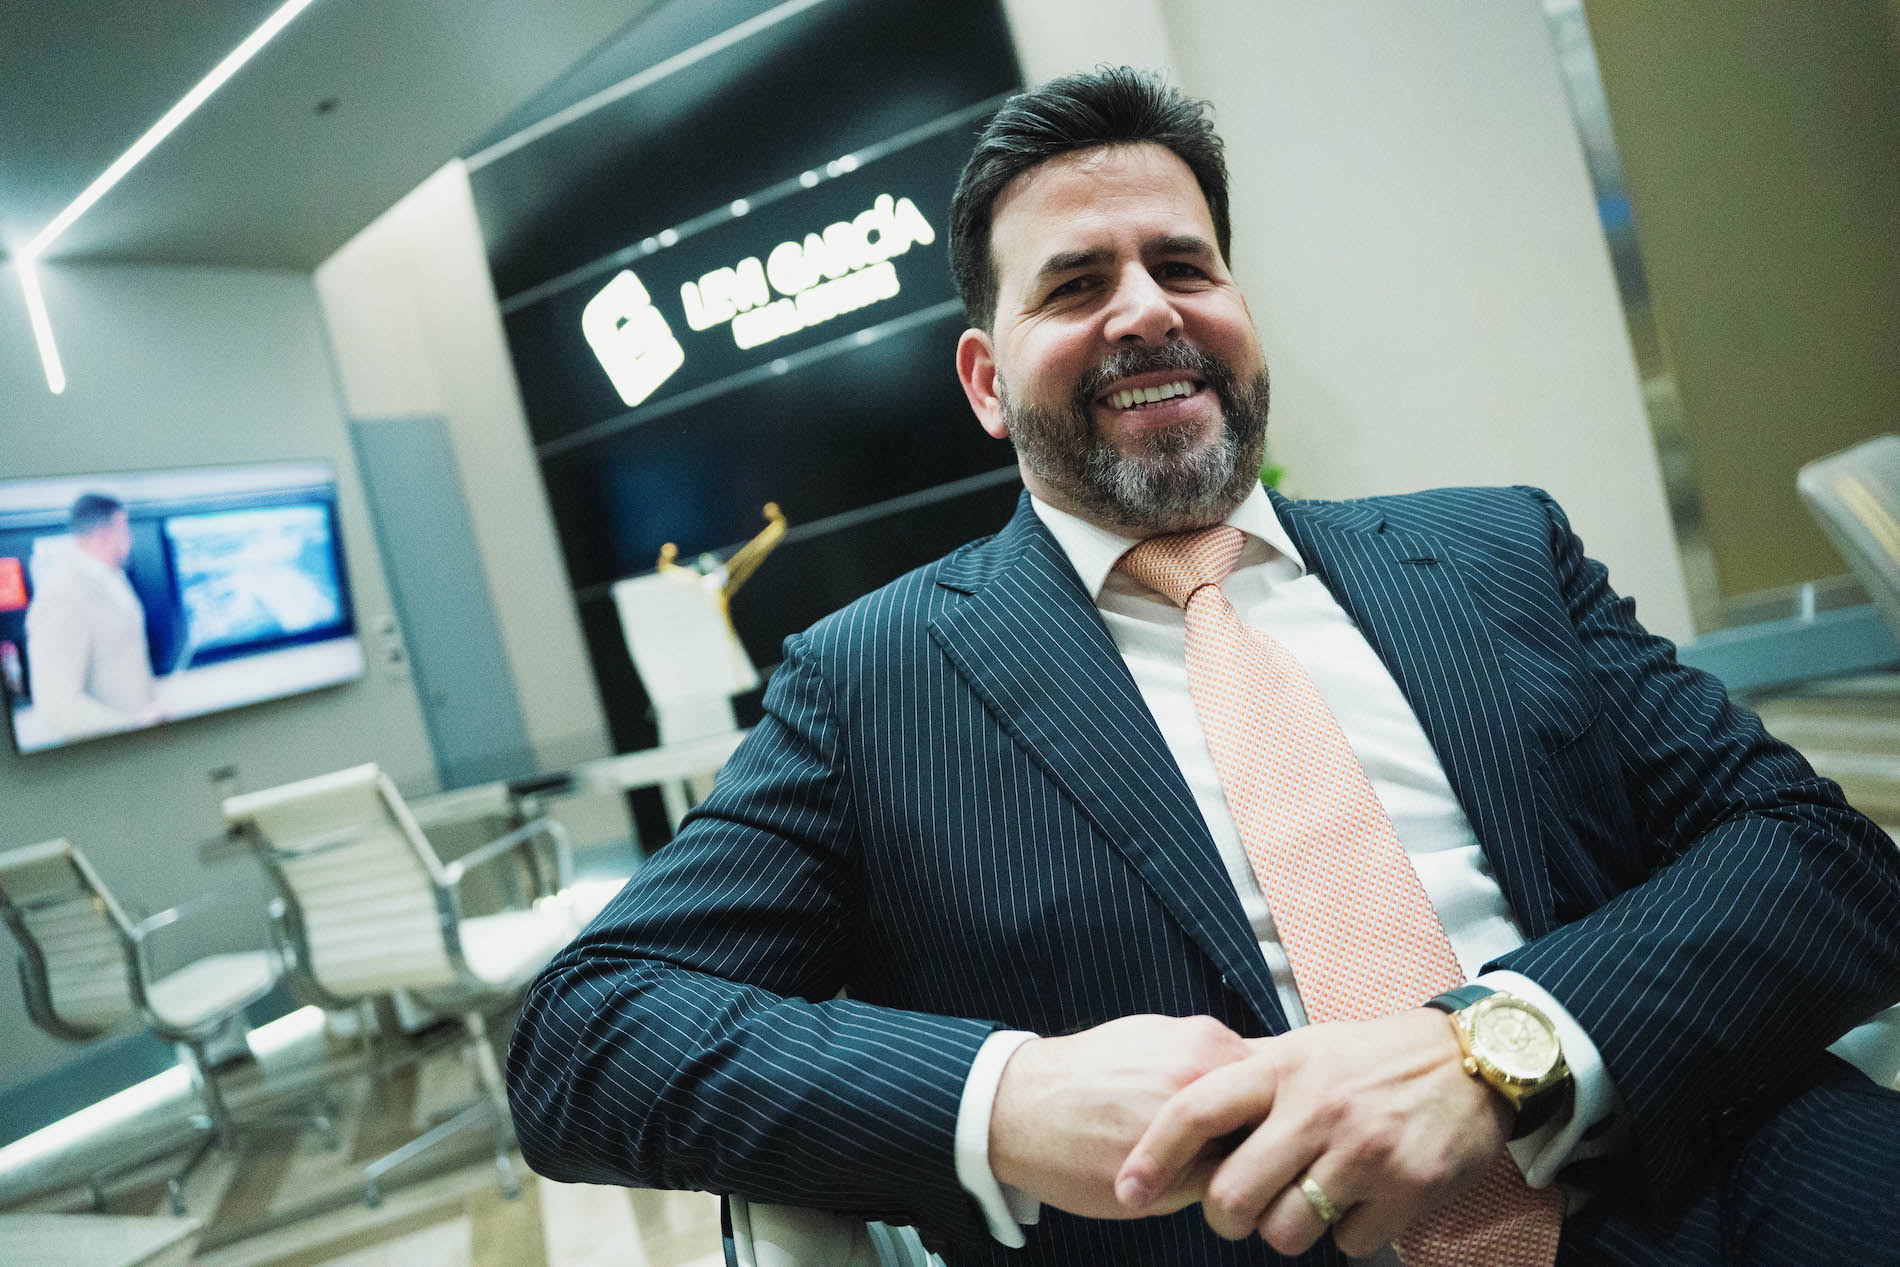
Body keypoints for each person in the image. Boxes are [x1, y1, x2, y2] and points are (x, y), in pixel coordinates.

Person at [507, 69, 1900, 1266]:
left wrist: (1496, 1049)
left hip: (1715, 1173)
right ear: (987, 381)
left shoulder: (1497, 550)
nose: (1144, 311)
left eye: (1183, 267)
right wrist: (1005, 1097)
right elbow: (586, 1033)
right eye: (1076, 283)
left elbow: (1819, 854)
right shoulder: (869, 683)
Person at [23, 493, 160, 740]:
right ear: (108, 532)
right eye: (125, 528)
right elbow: (58, 707)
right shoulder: (61, 596)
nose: (130, 537)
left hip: (143, 736)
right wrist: (130, 728)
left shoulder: (113, 576)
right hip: (114, 747)